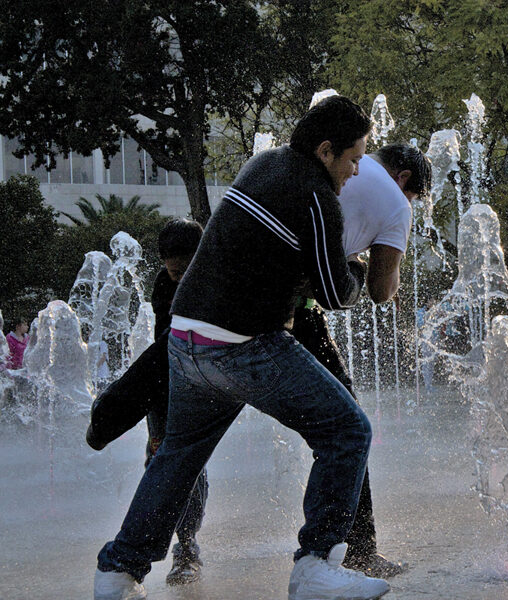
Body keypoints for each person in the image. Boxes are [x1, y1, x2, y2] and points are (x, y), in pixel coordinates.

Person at [93, 95, 390, 600]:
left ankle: (118, 573)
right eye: (354, 157)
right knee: (347, 430)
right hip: (243, 344)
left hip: (185, 338)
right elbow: (333, 292)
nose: (357, 170)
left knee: (179, 456)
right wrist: (359, 270)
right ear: (325, 151)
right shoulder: (315, 193)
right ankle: (316, 565)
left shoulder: (263, 162)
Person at [289, 142, 431, 577]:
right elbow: (381, 291)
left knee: (189, 435)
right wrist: (377, 260)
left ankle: (134, 558)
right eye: (411, 198)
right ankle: (354, 550)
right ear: (403, 178)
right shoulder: (393, 201)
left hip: (238, 302)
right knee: (349, 428)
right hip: (296, 312)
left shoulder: (340, 169)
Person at [86, 217, 207, 586]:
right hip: (167, 382)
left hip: (203, 382)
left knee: (190, 464)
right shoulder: (162, 286)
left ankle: (187, 548)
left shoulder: (219, 273)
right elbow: (164, 349)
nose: (179, 278)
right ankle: (159, 546)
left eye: (186, 270)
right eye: (173, 272)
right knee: (160, 458)